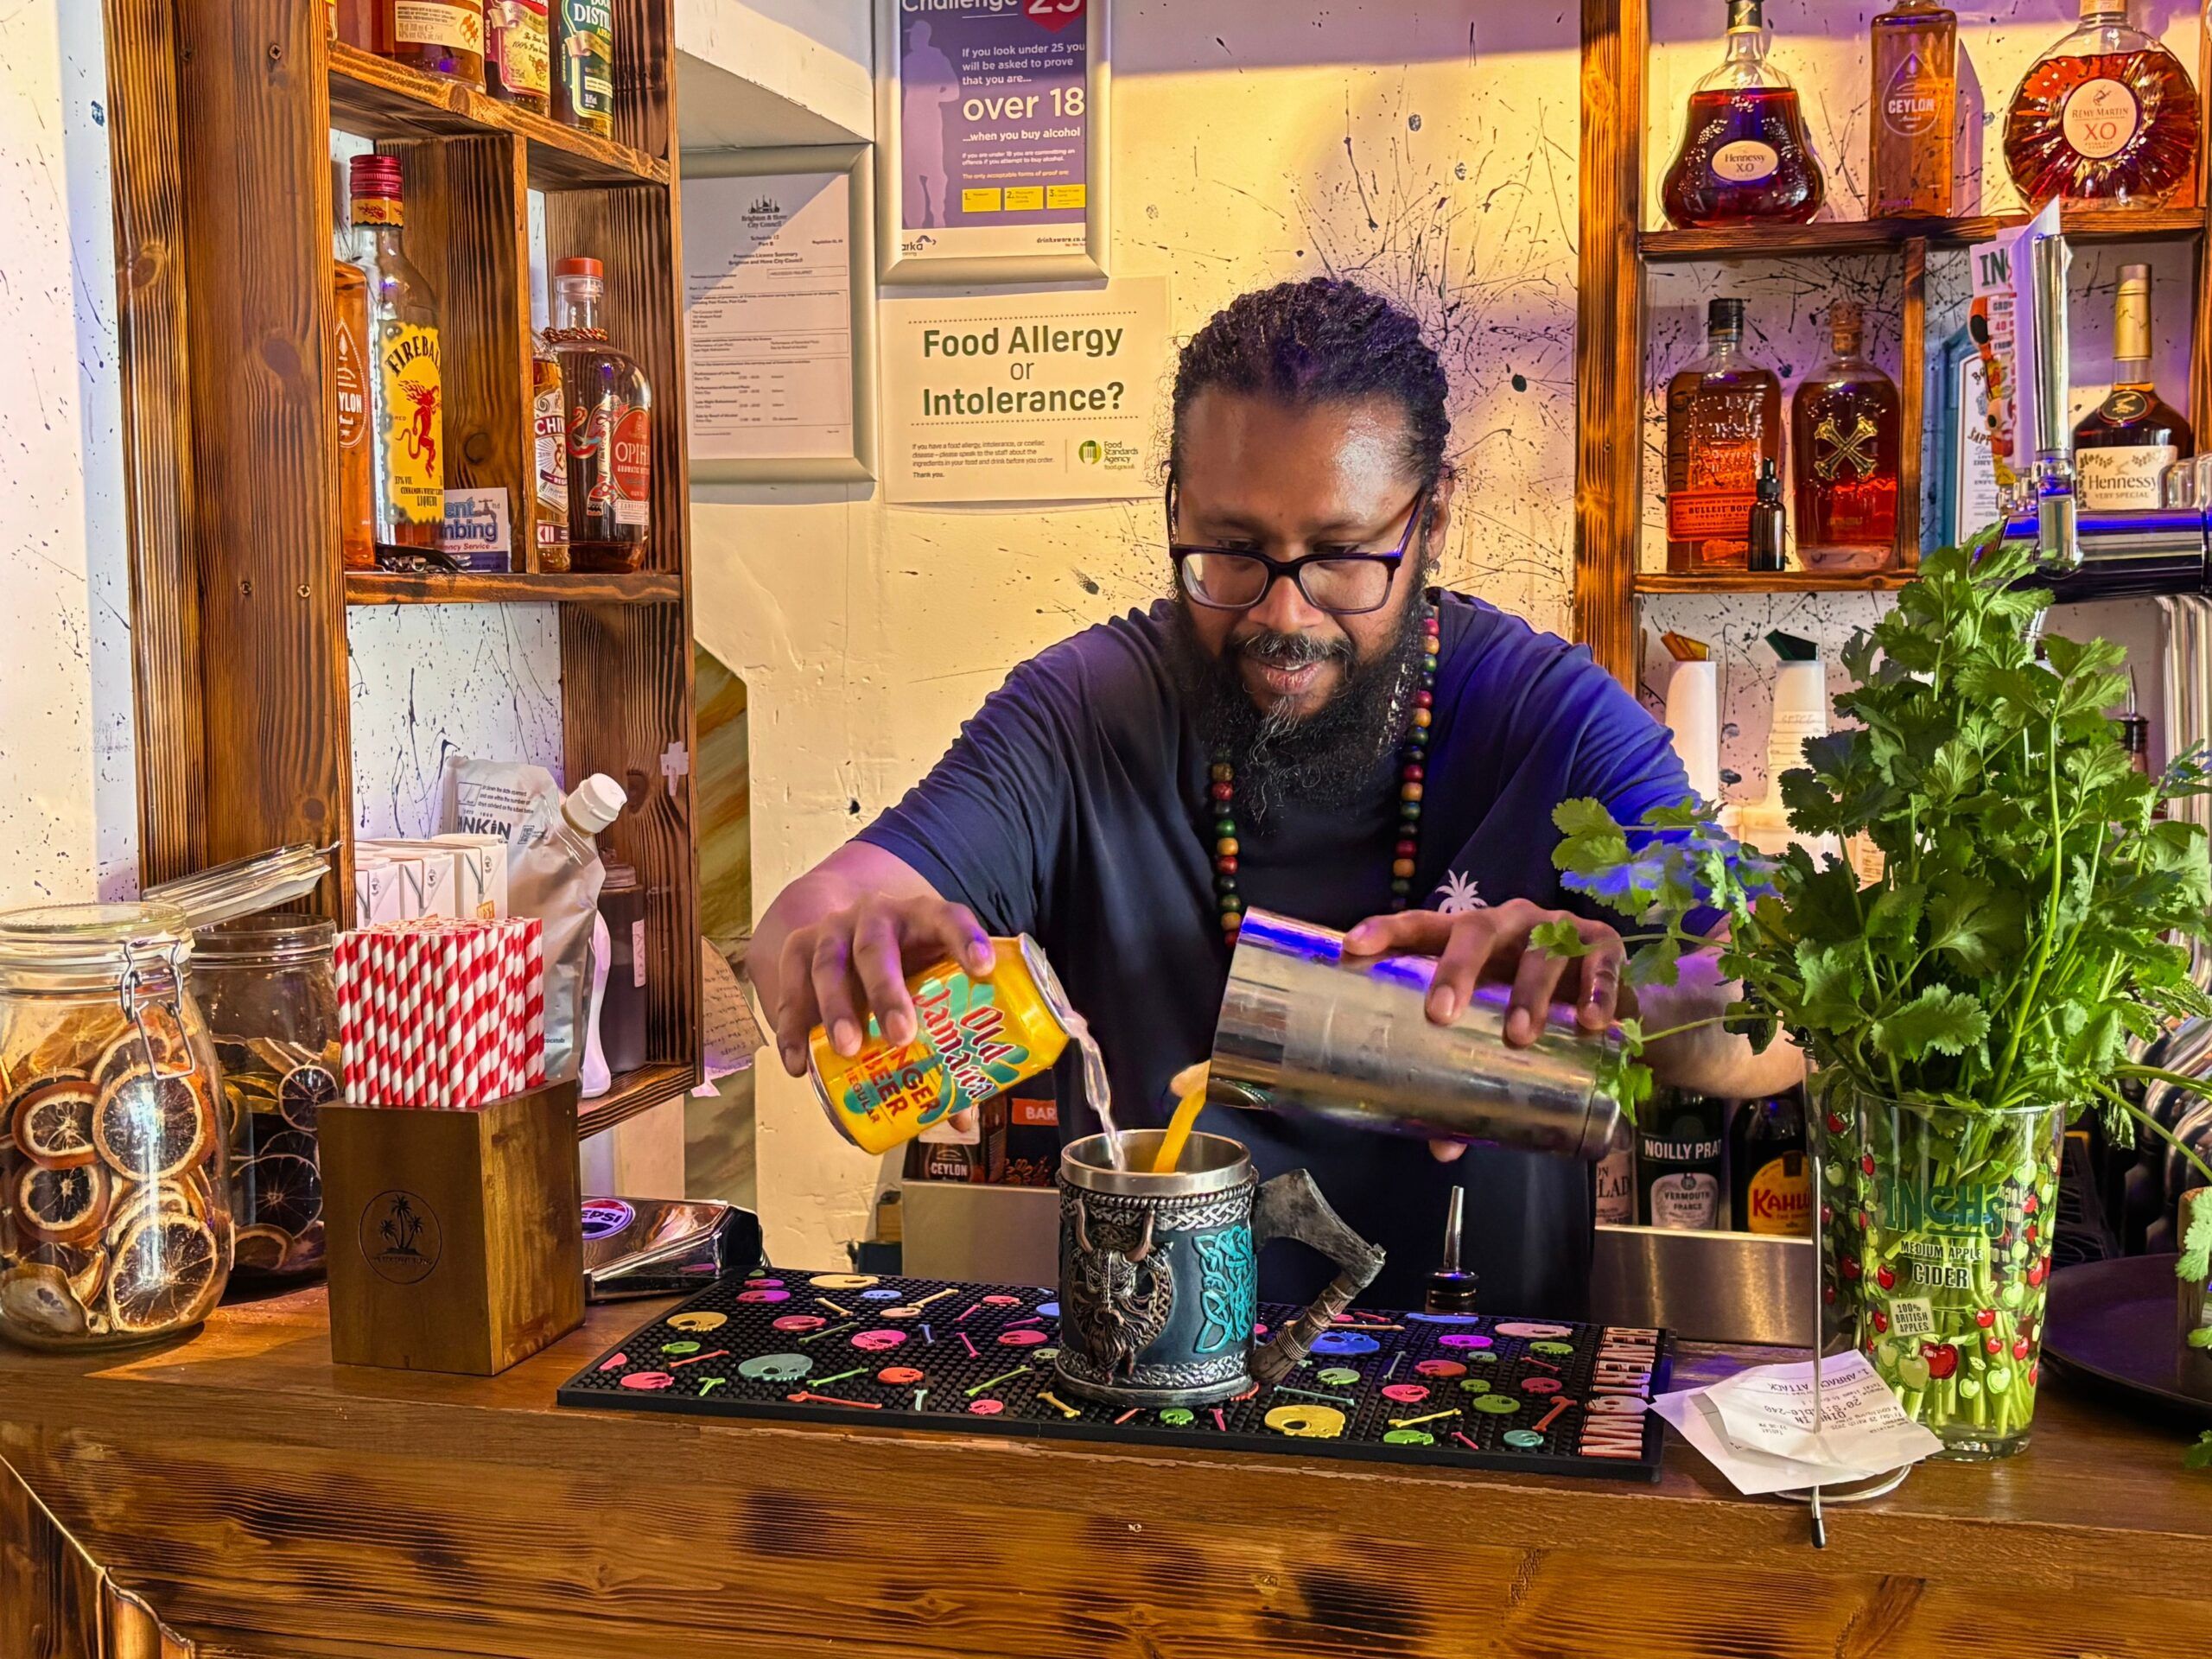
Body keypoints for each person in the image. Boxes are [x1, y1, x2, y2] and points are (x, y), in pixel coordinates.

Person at [749, 278, 1802, 1313]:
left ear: (1432, 519)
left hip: (1486, 1384)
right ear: (1174, 503)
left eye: (1343, 558)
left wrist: (1614, 990)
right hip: (1154, 1379)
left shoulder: (1548, 717)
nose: (1283, 619)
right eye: (1232, 553)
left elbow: (1778, 1014)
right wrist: (841, 942)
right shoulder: (1085, 711)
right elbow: (815, 907)